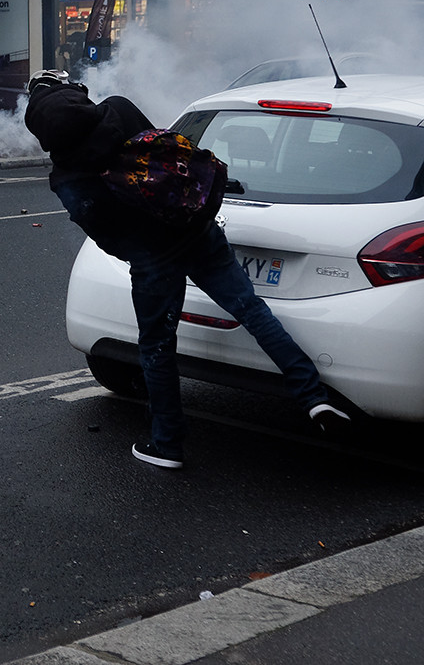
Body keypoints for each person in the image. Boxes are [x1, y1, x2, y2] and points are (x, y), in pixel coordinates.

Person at [22, 69, 349, 469]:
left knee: (157, 347)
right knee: (250, 308)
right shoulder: (119, 110)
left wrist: (139, 252)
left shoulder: (67, 177)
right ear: (76, 96)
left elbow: (102, 230)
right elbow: (170, 156)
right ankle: (314, 398)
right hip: (195, 230)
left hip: (152, 259)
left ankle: (168, 444)